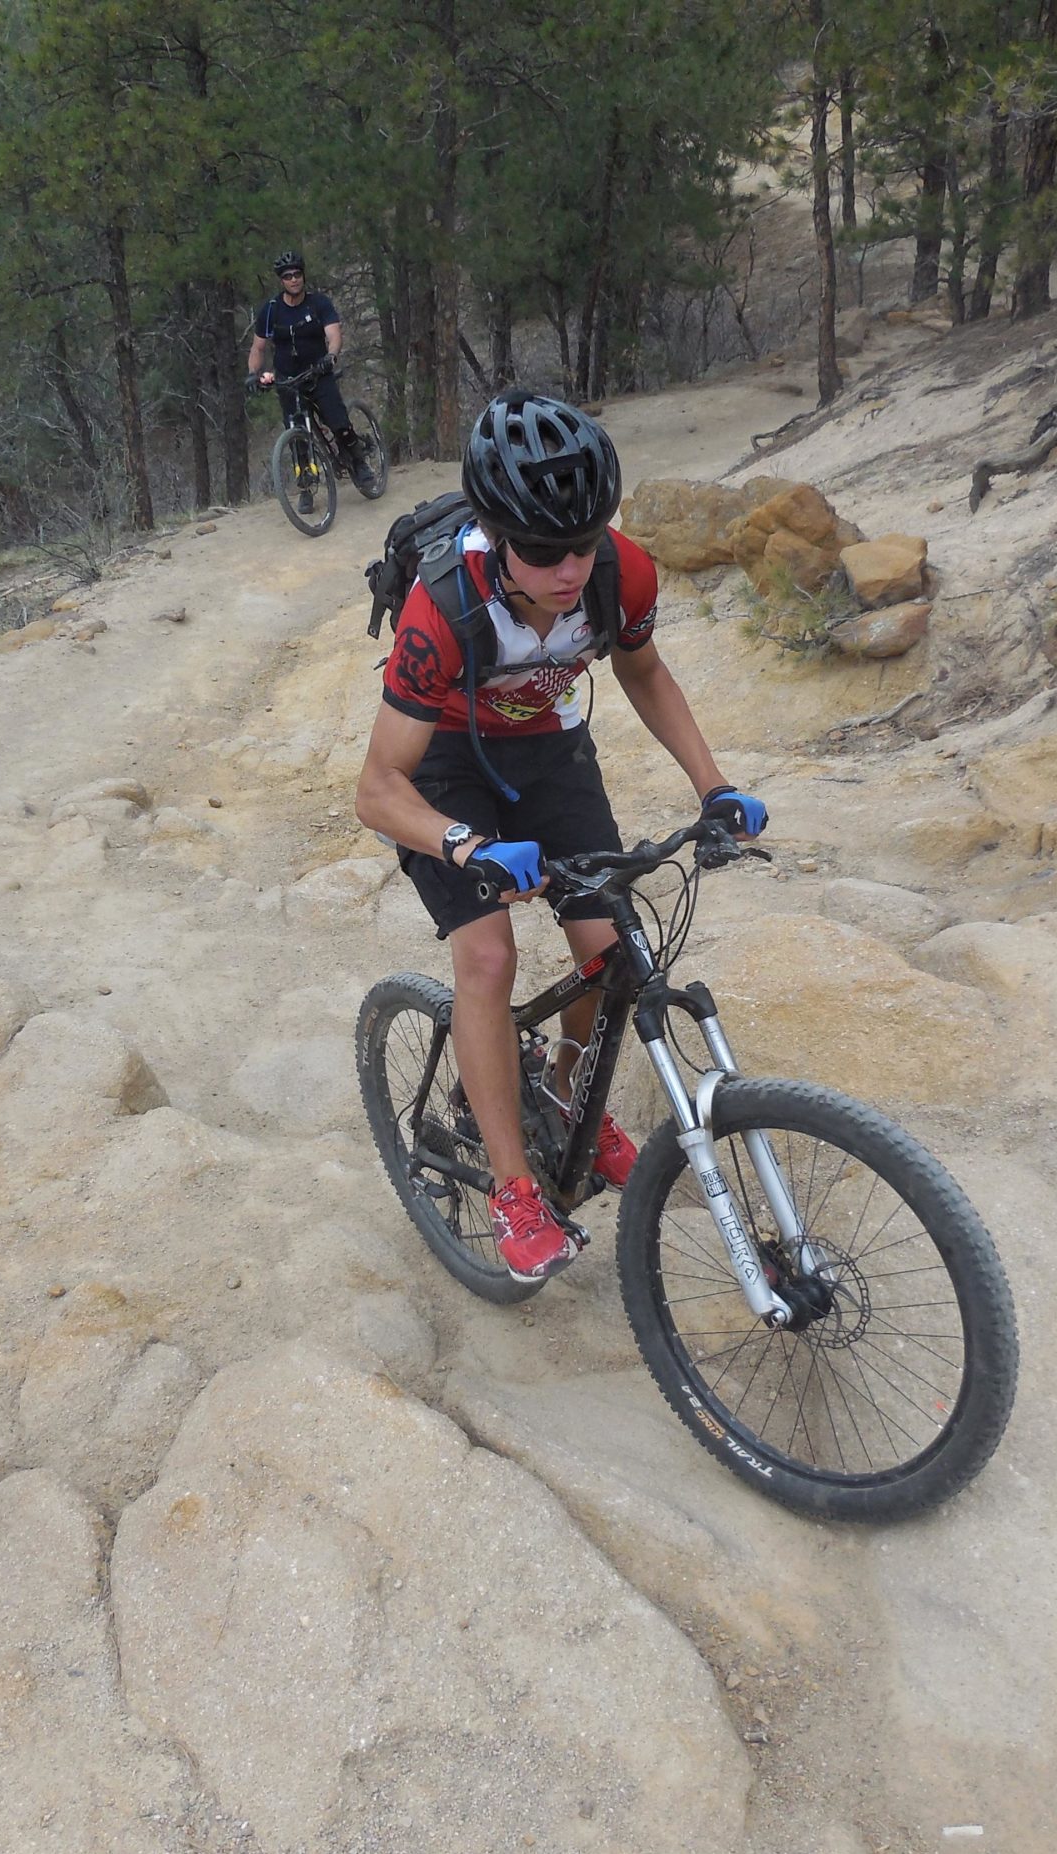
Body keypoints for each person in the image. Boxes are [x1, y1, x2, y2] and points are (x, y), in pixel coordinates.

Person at [353, 390, 768, 1284]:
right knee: (490, 958)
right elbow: (378, 788)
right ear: (499, 537)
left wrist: (716, 786)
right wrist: (466, 845)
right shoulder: (444, 612)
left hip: (546, 749)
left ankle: (565, 1090)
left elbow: (645, 672)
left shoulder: (623, 574)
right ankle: (513, 1191)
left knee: (611, 945)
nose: (569, 569)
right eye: (543, 552)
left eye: (582, 544)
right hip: (444, 769)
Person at [249, 250, 371, 488]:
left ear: (303, 276)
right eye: (287, 276)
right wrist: (253, 375)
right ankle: (306, 484)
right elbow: (258, 348)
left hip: (318, 374)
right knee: (297, 437)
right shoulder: (271, 310)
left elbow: (334, 334)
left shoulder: (319, 304)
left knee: (340, 424)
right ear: (281, 280)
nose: (293, 279)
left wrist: (331, 356)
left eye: (297, 274)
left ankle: (359, 463)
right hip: (288, 380)